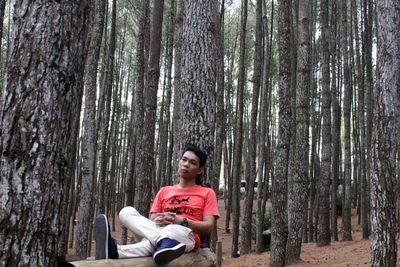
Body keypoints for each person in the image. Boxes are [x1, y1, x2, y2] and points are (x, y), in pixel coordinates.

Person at [94, 144, 220, 265]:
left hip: (186, 235)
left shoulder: (207, 193)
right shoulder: (164, 191)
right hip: (160, 230)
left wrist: (181, 221)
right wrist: (161, 219)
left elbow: (208, 227)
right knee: (126, 212)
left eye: (192, 163)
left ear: (200, 170)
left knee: (170, 230)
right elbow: (152, 219)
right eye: (184, 159)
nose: (186, 164)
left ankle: (119, 249)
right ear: (179, 161)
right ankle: (119, 251)